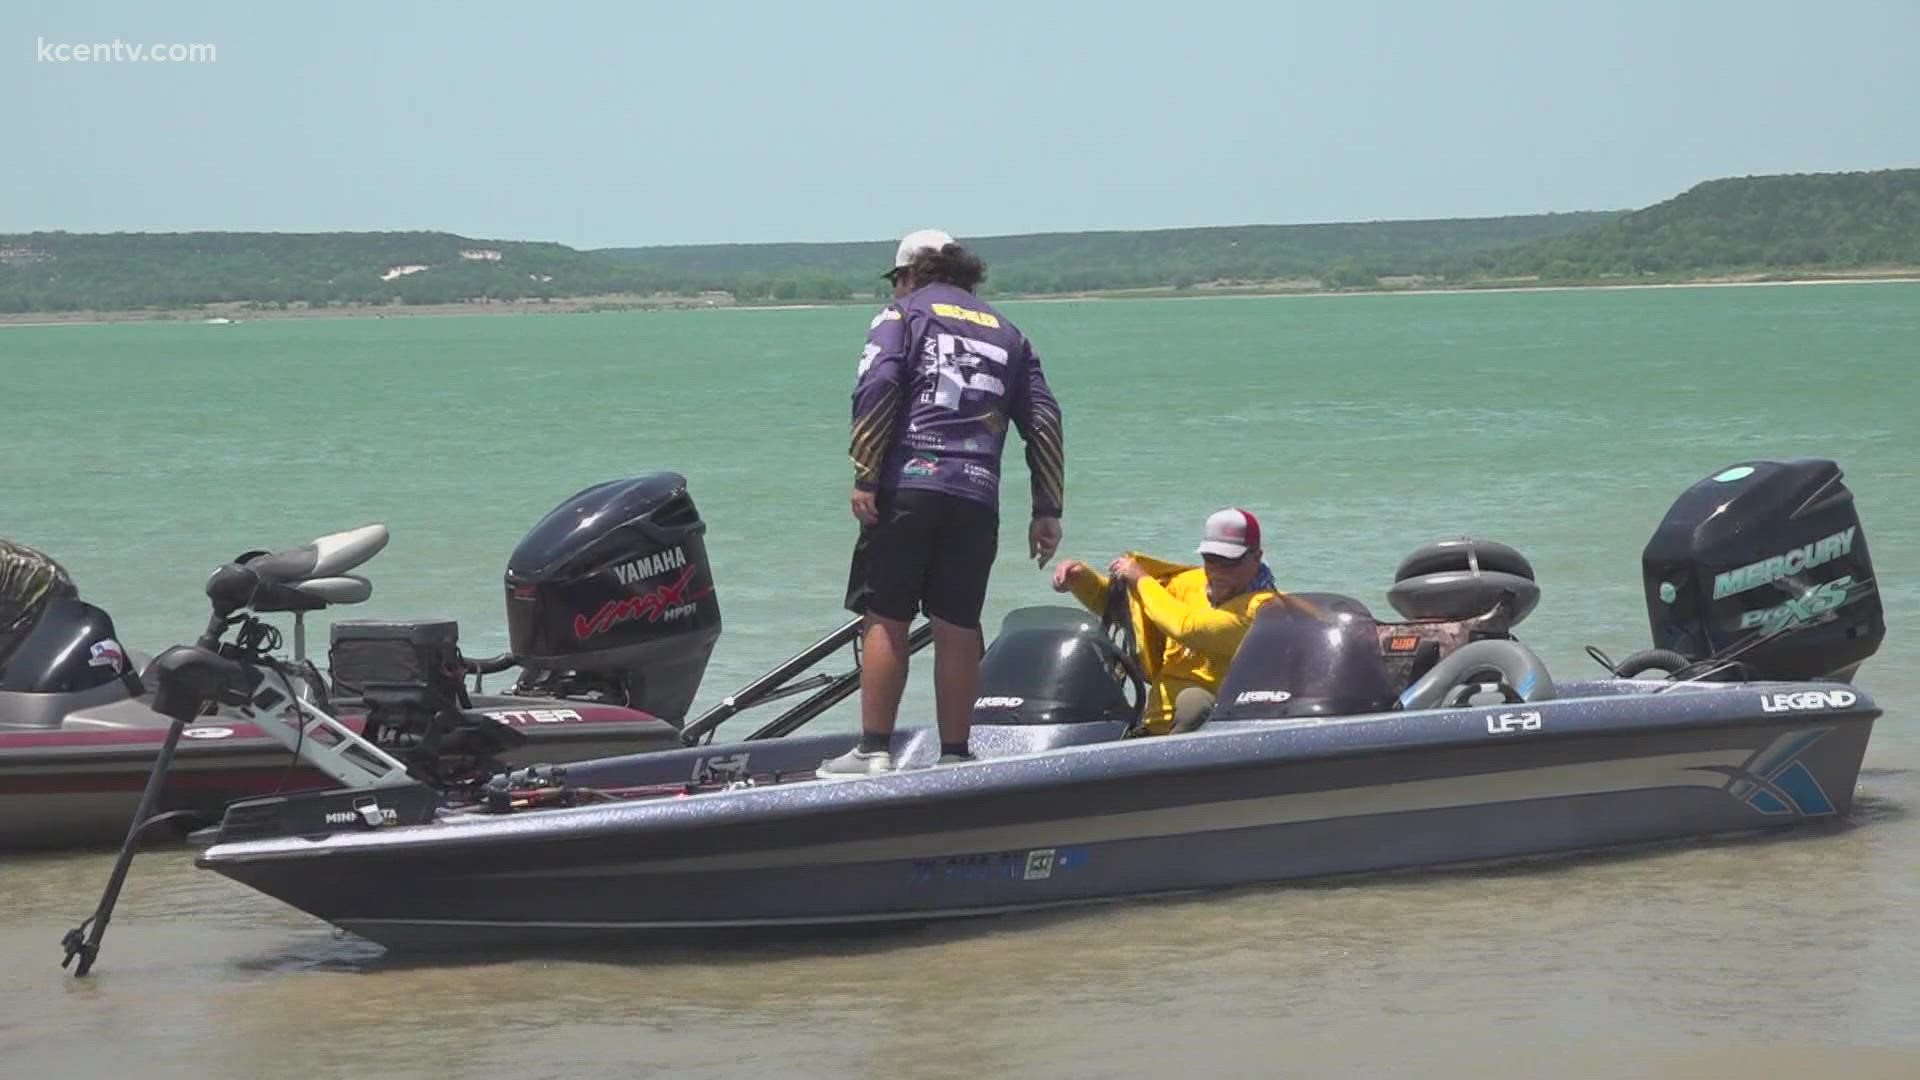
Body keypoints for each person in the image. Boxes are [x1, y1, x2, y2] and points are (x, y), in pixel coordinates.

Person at [819, 229, 1066, 777]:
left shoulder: (900, 317)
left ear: (909, 276)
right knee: (958, 622)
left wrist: (865, 471)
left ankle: (873, 750)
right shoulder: (1009, 333)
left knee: (886, 614)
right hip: (977, 492)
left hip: (908, 484)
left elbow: (878, 387)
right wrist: (1047, 508)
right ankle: (956, 754)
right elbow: (1045, 421)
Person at [1052, 508, 1280, 735]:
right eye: (1211, 559)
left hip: (1216, 733)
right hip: (1153, 727)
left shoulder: (1264, 610)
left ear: (1256, 557)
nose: (1218, 570)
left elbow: (1186, 627)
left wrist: (1141, 578)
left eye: (1230, 561)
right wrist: (1081, 579)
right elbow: (1130, 609)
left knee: (1194, 702)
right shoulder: (1190, 583)